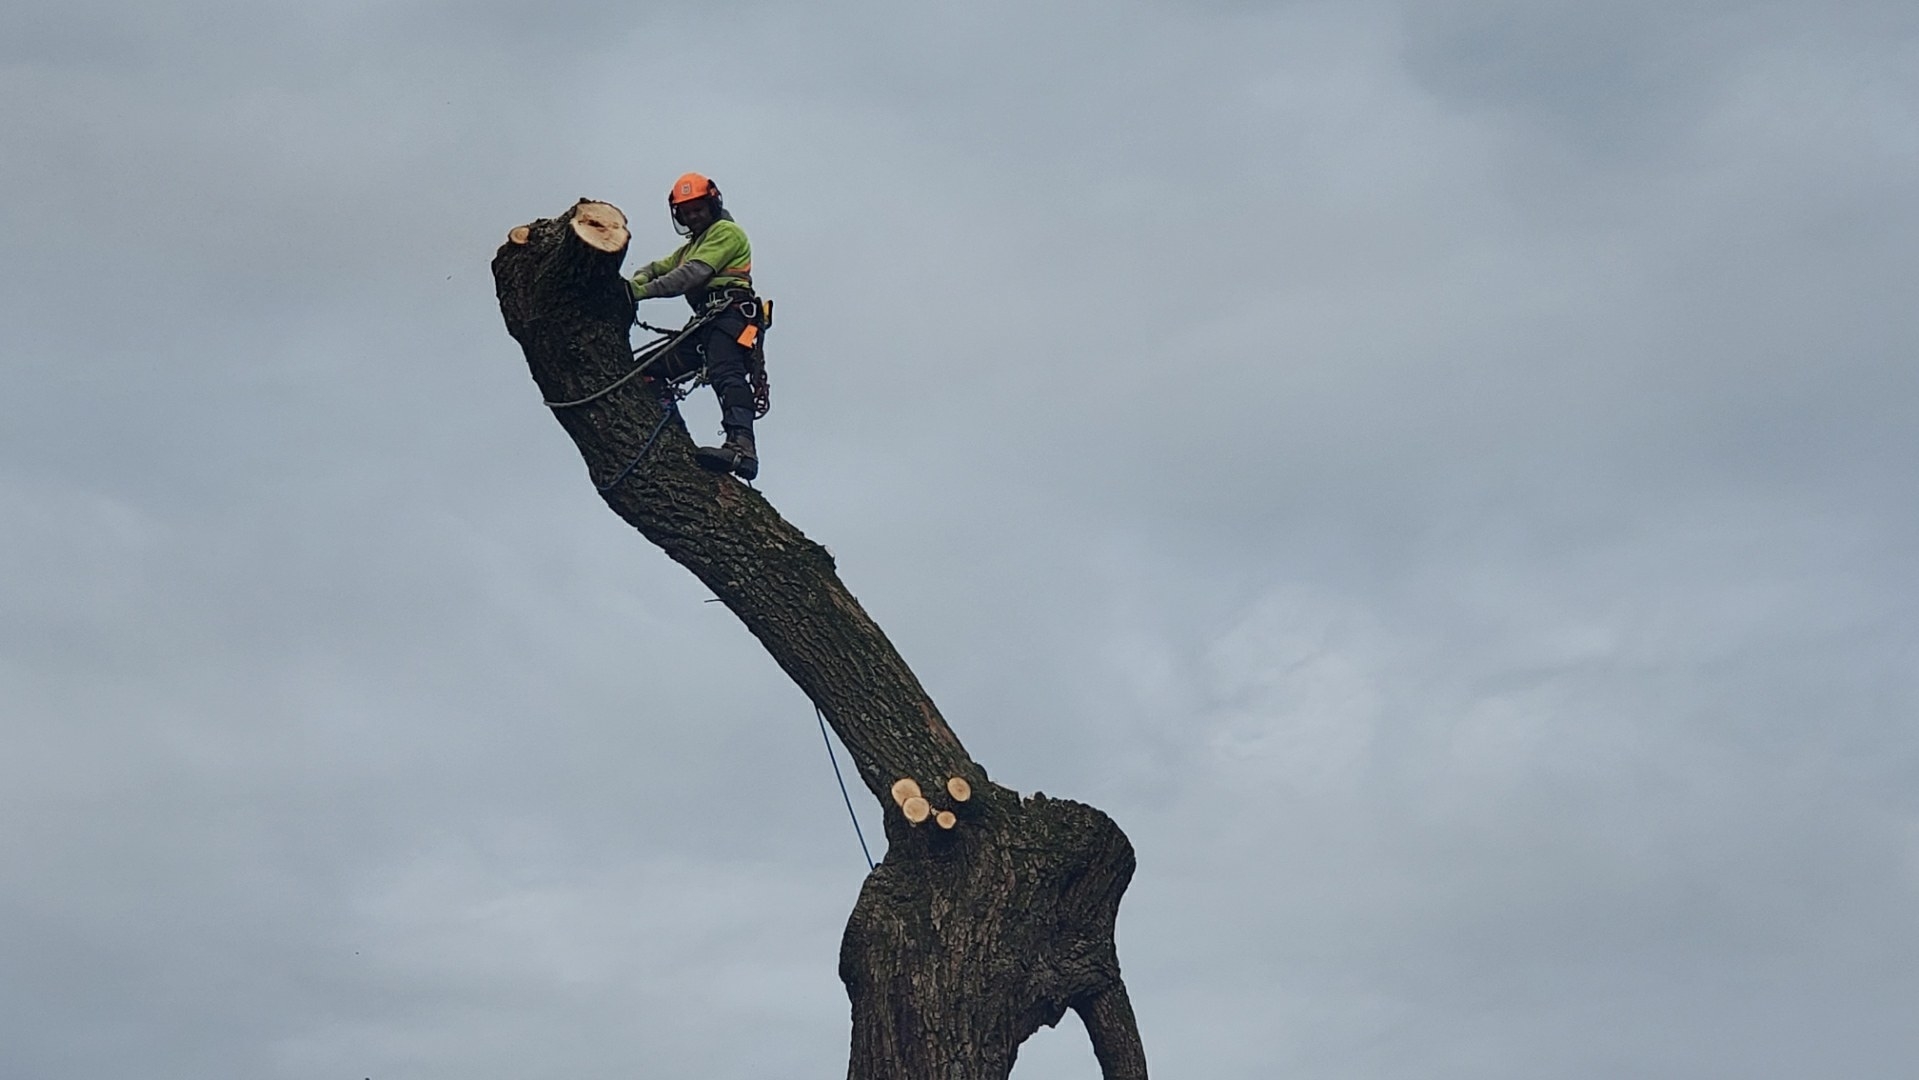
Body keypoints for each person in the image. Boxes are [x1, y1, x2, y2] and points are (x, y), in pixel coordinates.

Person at [628, 172, 764, 480]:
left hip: (730, 315)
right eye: (687, 213)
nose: (693, 216)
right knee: (649, 370)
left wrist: (640, 292)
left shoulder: (727, 233)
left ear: (712, 205)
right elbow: (654, 267)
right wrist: (637, 281)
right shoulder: (690, 247)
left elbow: (691, 275)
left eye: (698, 209)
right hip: (706, 322)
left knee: (726, 373)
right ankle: (671, 435)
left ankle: (742, 448)